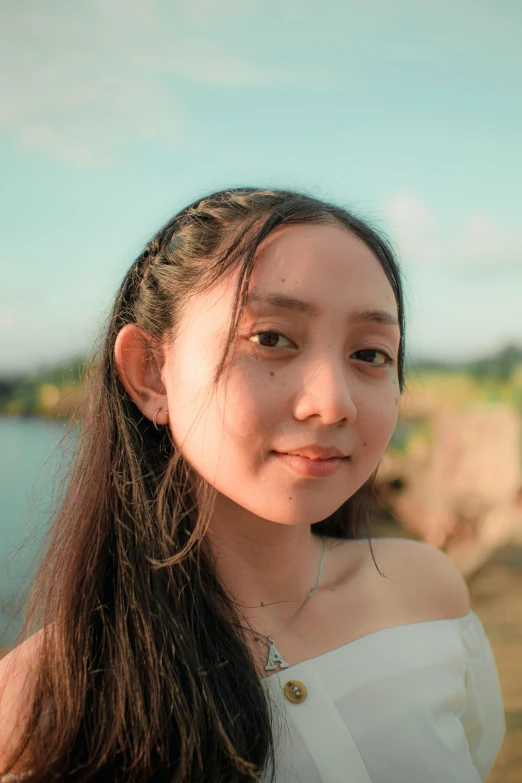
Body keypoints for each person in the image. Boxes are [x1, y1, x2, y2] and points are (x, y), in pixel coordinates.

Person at [0, 188, 505, 782]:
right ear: (151, 373)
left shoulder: (427, 596)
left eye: (371, 353)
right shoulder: (47, 702)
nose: (332, 403)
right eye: (271, 338)